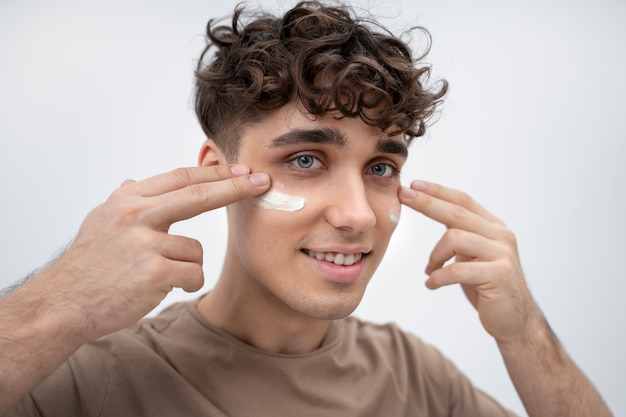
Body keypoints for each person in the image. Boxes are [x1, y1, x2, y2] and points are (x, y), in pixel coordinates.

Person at [0, 1, 612, 416]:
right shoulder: (91, 377)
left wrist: (525, 334)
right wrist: (60, 302)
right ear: (217, 175)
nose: (359, 215)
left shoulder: (415, 378)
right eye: (307, 159)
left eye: (381, 168)